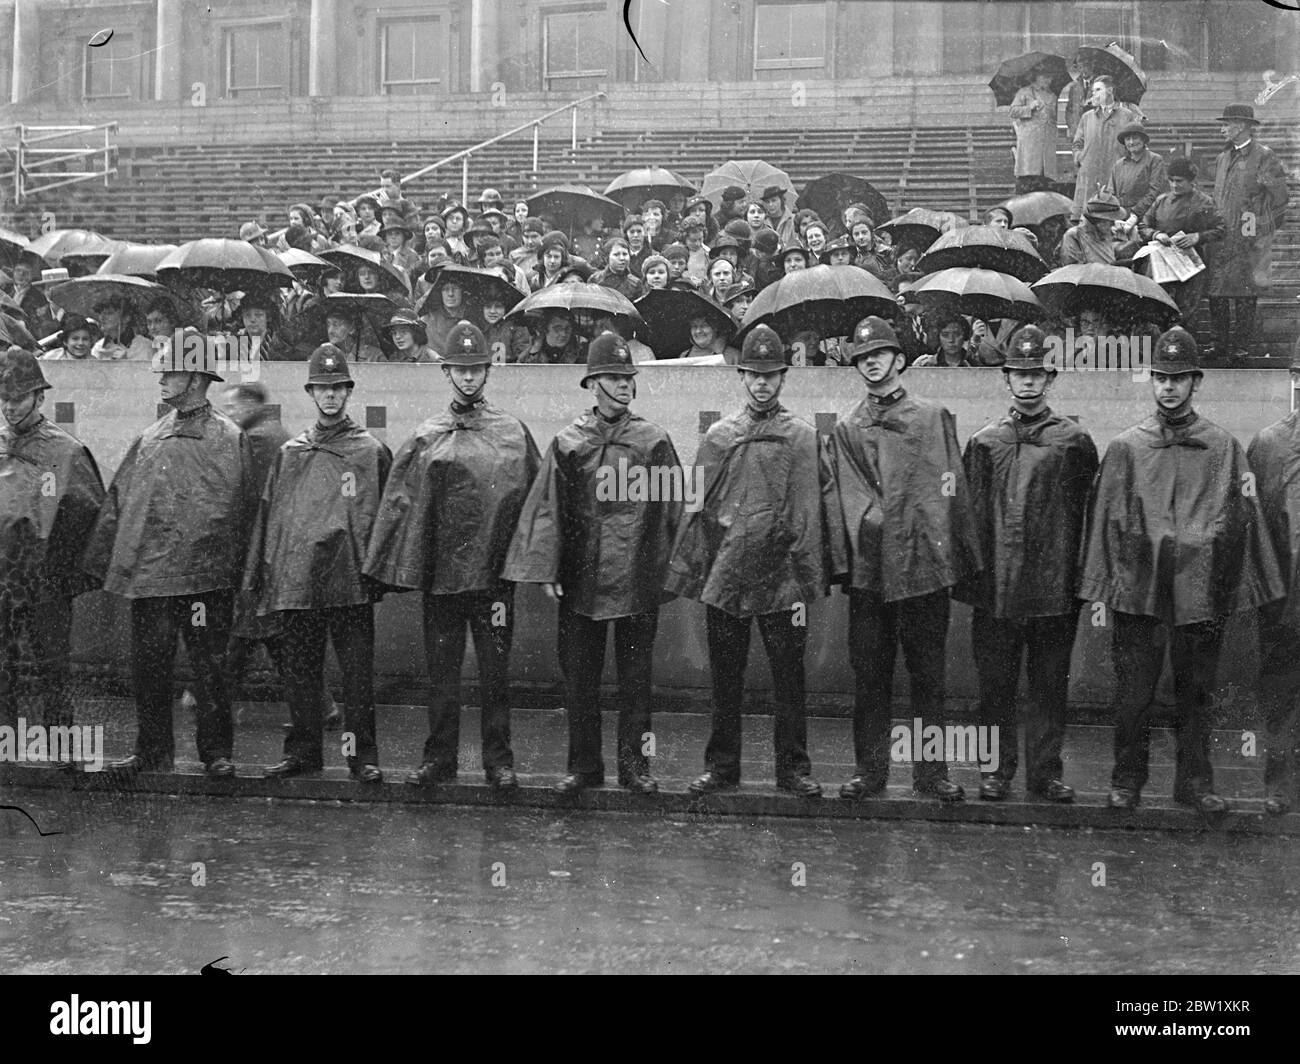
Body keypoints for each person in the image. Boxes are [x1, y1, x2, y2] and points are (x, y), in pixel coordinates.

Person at [1079, 327, 1284, 813]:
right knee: (1133, 694)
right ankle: (1127, 779)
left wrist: (1234, 581)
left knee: (1197, 693)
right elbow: (1105, 518)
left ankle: (1195, 782)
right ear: (1150, 381)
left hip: (1200, 591)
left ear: (1197, 382)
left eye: (1179, 378)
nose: (1168, 387)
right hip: (1139, 590)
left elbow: (1243, 520)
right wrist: (1103, 587)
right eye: (1160, 378)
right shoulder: (1128, 447)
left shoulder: (1222, 448)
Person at [504, 333, 683, 795]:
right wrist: (548, 569)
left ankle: (635, 768)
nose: (624, 386)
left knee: (636, 683)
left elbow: (672, 512)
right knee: (579, 682)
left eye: (628, 379)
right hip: (581, 580)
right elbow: (549, 510)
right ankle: (584, 766)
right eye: (613, 378)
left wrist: (669, 574)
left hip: (637, 580)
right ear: (592, 384)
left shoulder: (653, 441)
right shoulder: (569, 443)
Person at [365, 320, 540, 789]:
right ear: (447, 372)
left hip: (493, 581)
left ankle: (498, 761)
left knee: (495, 675)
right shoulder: (427, 436)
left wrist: (529, 563)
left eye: (476, 369)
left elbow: (534, 502)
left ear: (488, 371)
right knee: (441, 676)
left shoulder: (512, 434)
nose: (468, 377)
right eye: (460, 370)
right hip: (442, 578)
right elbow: (401, 505)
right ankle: (439, 758)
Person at [669, 325, 835, 799]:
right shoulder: (720, 437)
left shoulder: (803, 437)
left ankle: (794, 770)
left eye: (771, 376)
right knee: (726, 678)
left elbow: (816, 506)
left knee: (789, 678)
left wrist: (810, 572)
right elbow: (697, 508)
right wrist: (693, 572)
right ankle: (722, 767)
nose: (762, 384)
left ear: (783, 378)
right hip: (729, 573)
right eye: (754, 375)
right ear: (741, 377)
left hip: (784, 577)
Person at [84, 331, 254, 779]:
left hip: (203, 582)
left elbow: (243, 509)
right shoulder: (150, 438)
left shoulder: (229, 438)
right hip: (155, 581)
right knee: (150, 671)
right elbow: (122, 504)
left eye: (171, 370)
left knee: (210, 670)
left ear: (196, 378)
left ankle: (216, 753)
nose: (161, 377)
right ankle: (153, 751)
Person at [827, 316, 980, 803]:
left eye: (880, 354)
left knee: (927, 676)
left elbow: (950, 486)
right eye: (863, 357)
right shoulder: (849, 427)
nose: (871, 362)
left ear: (899, 359)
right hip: (873, 573)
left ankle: (931, 774)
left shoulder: (933, 417)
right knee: (870, 674)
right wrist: (877, 529)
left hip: (922, 568)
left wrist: (939, 547)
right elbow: (848, 496)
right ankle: (870, 771)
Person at [955, 325, 1098, 803]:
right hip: (997, 588)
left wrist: (1076, 578)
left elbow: (1086, 515)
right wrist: (976, 585)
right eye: (1020, 372)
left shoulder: (1073, 441)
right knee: (995, 688)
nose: (1028, 381)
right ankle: (995, 771)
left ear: (1049, 377)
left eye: (1037, 373)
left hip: (1054, 587)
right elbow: (970, 519)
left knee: (1048, 687)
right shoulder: (985, 442)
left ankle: (1044, 773)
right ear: (1006, 376)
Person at [246, 345, 392, 783]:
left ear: (348, 391)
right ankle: (305, 752)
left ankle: (361, 757)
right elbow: (272, 515)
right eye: (322, 388)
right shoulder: (292, 452)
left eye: (338, 388)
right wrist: (263, 575)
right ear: (311, 392)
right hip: (299, 580)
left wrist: (377, 575)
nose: (330, 395)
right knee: (301, 675)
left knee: (356, 678)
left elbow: (383, 519)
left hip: (348, 581)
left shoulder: (368, 451)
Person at [0, 349, 105, 758]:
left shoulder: (66, 451)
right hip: (4, 577)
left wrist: (62, 574)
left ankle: (60, 746)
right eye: (4, 398)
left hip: (46, 580)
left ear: (39, 398)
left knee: (53, 670)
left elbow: (90, 515)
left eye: (18, 398)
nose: (10, 407)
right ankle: (6, 748)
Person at [1247, 339, 1300, 816]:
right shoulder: (1269, 446)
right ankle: (1280, 785)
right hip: (1284, 598)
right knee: (1282, 695)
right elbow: (1255, 524)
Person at [1210, 103, 1291, 363]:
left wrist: (1261, 227)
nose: (1222, 129)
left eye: (1227, 124)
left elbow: (1280, 197)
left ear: (1243, 126)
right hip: (1222, 235)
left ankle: (1242, 347)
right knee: (1216, 291)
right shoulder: (1223, 157)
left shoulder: (1263, 156)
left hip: (1249, 235)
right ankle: (1220, 344)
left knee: (1245, 292)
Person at [1138, 156, 1225, 321]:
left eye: (1179, 181)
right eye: (1171, 180)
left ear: (1191, 181)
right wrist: (1156, 234)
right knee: (1160, 306)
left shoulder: (1204, 202)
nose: (1174, 185)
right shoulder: (1161, 201)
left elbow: (1221, 229)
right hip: (1161, 262)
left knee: (1186, 311)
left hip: (1191, 264)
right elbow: (1143, 225)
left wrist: (1198, 237)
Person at [1072, 75, 1144, 219]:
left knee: (1113, 216)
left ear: (1110, 90)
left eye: (1098, 90)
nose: (1094, 94)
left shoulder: (1126, 115)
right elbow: (1077, 144)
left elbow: (1135, 143)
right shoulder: (1087, 117)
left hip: (1115, 173)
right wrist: (1081, 159)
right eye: (1093, 91)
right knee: (1087, 218)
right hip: (1090, 174)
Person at [1107, 124, 1168, 239]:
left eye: (1135, 138)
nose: (1131, 142)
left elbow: (1155, 192)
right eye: (1127, 139)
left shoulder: (1155, 160)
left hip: (1145, 219)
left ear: (1143, 140)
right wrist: (1115, 217)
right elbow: (1111, 193)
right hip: (1121, 220)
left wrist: (1135, 215)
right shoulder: (1119, 165)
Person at [1010, 67, 1060, 194]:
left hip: (1047, 145)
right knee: (1028, 180)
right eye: (1044, 76)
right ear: (1036, 76)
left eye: (1050, 77)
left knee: (1046, 181)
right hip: (1029, 146)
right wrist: (1029, 108)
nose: (1048, 80)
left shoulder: (1053, 96)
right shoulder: (1025, 92)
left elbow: (1054, 118)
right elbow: (1013, 111)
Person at [1059, 191, 1129, 266]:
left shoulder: (1108, 233)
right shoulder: (1074, 235)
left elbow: (1107, 256)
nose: (1112, 224)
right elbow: (1072, 269)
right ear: (1097, 220)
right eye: (1109, 221)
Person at [90, 296, 153, 360]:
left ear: (126, 318)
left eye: (109, 313)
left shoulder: (144, 346)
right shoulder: (98, 347)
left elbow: (147, 369)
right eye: (100, 313)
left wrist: (125, 362)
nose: (102, 317)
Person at [521, 310, 585, 364]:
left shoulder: (581, 354)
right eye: (558, 328)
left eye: (568, 328)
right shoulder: (529, 355)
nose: (563, 334)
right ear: (545, 329)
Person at [481, 298, 530, 364]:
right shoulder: (477, 329)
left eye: (498, 306)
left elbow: (522, 361)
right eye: (488, 306)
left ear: (506, 308)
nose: (492, 311)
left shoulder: (516, 330)